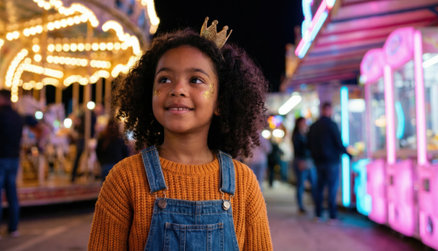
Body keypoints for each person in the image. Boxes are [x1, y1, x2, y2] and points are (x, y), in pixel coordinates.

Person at [89, 18, 273, 250]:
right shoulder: (124, 179)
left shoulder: (244, 183)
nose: (177, 89)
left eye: (196, 80)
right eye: (164, 79)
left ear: (220, 101)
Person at [307, 102, 351, 222]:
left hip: (318, 162)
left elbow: (309, 144)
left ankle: (318, 214)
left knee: (319, 189)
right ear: (329, 110)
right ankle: (332, 215)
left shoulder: (314, 126)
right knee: (332, 189)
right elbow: (338, 142)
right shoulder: (332, 125)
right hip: (332, 161)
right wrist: (348, 154)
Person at [0, 90, 24, 237]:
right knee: (12, 193)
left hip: (1, 157)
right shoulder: (17, 116)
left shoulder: (0, 115)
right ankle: (13, 227)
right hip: (14, 157)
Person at [292, 117, 317, 214]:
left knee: (314, 183)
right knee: (301, 184)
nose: (304, 124)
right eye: (303, 122)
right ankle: (300, 206)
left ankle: (316, 204)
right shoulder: (297, 135)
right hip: (301, 161)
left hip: (309, 161)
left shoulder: (307, 134)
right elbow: (298, 149)